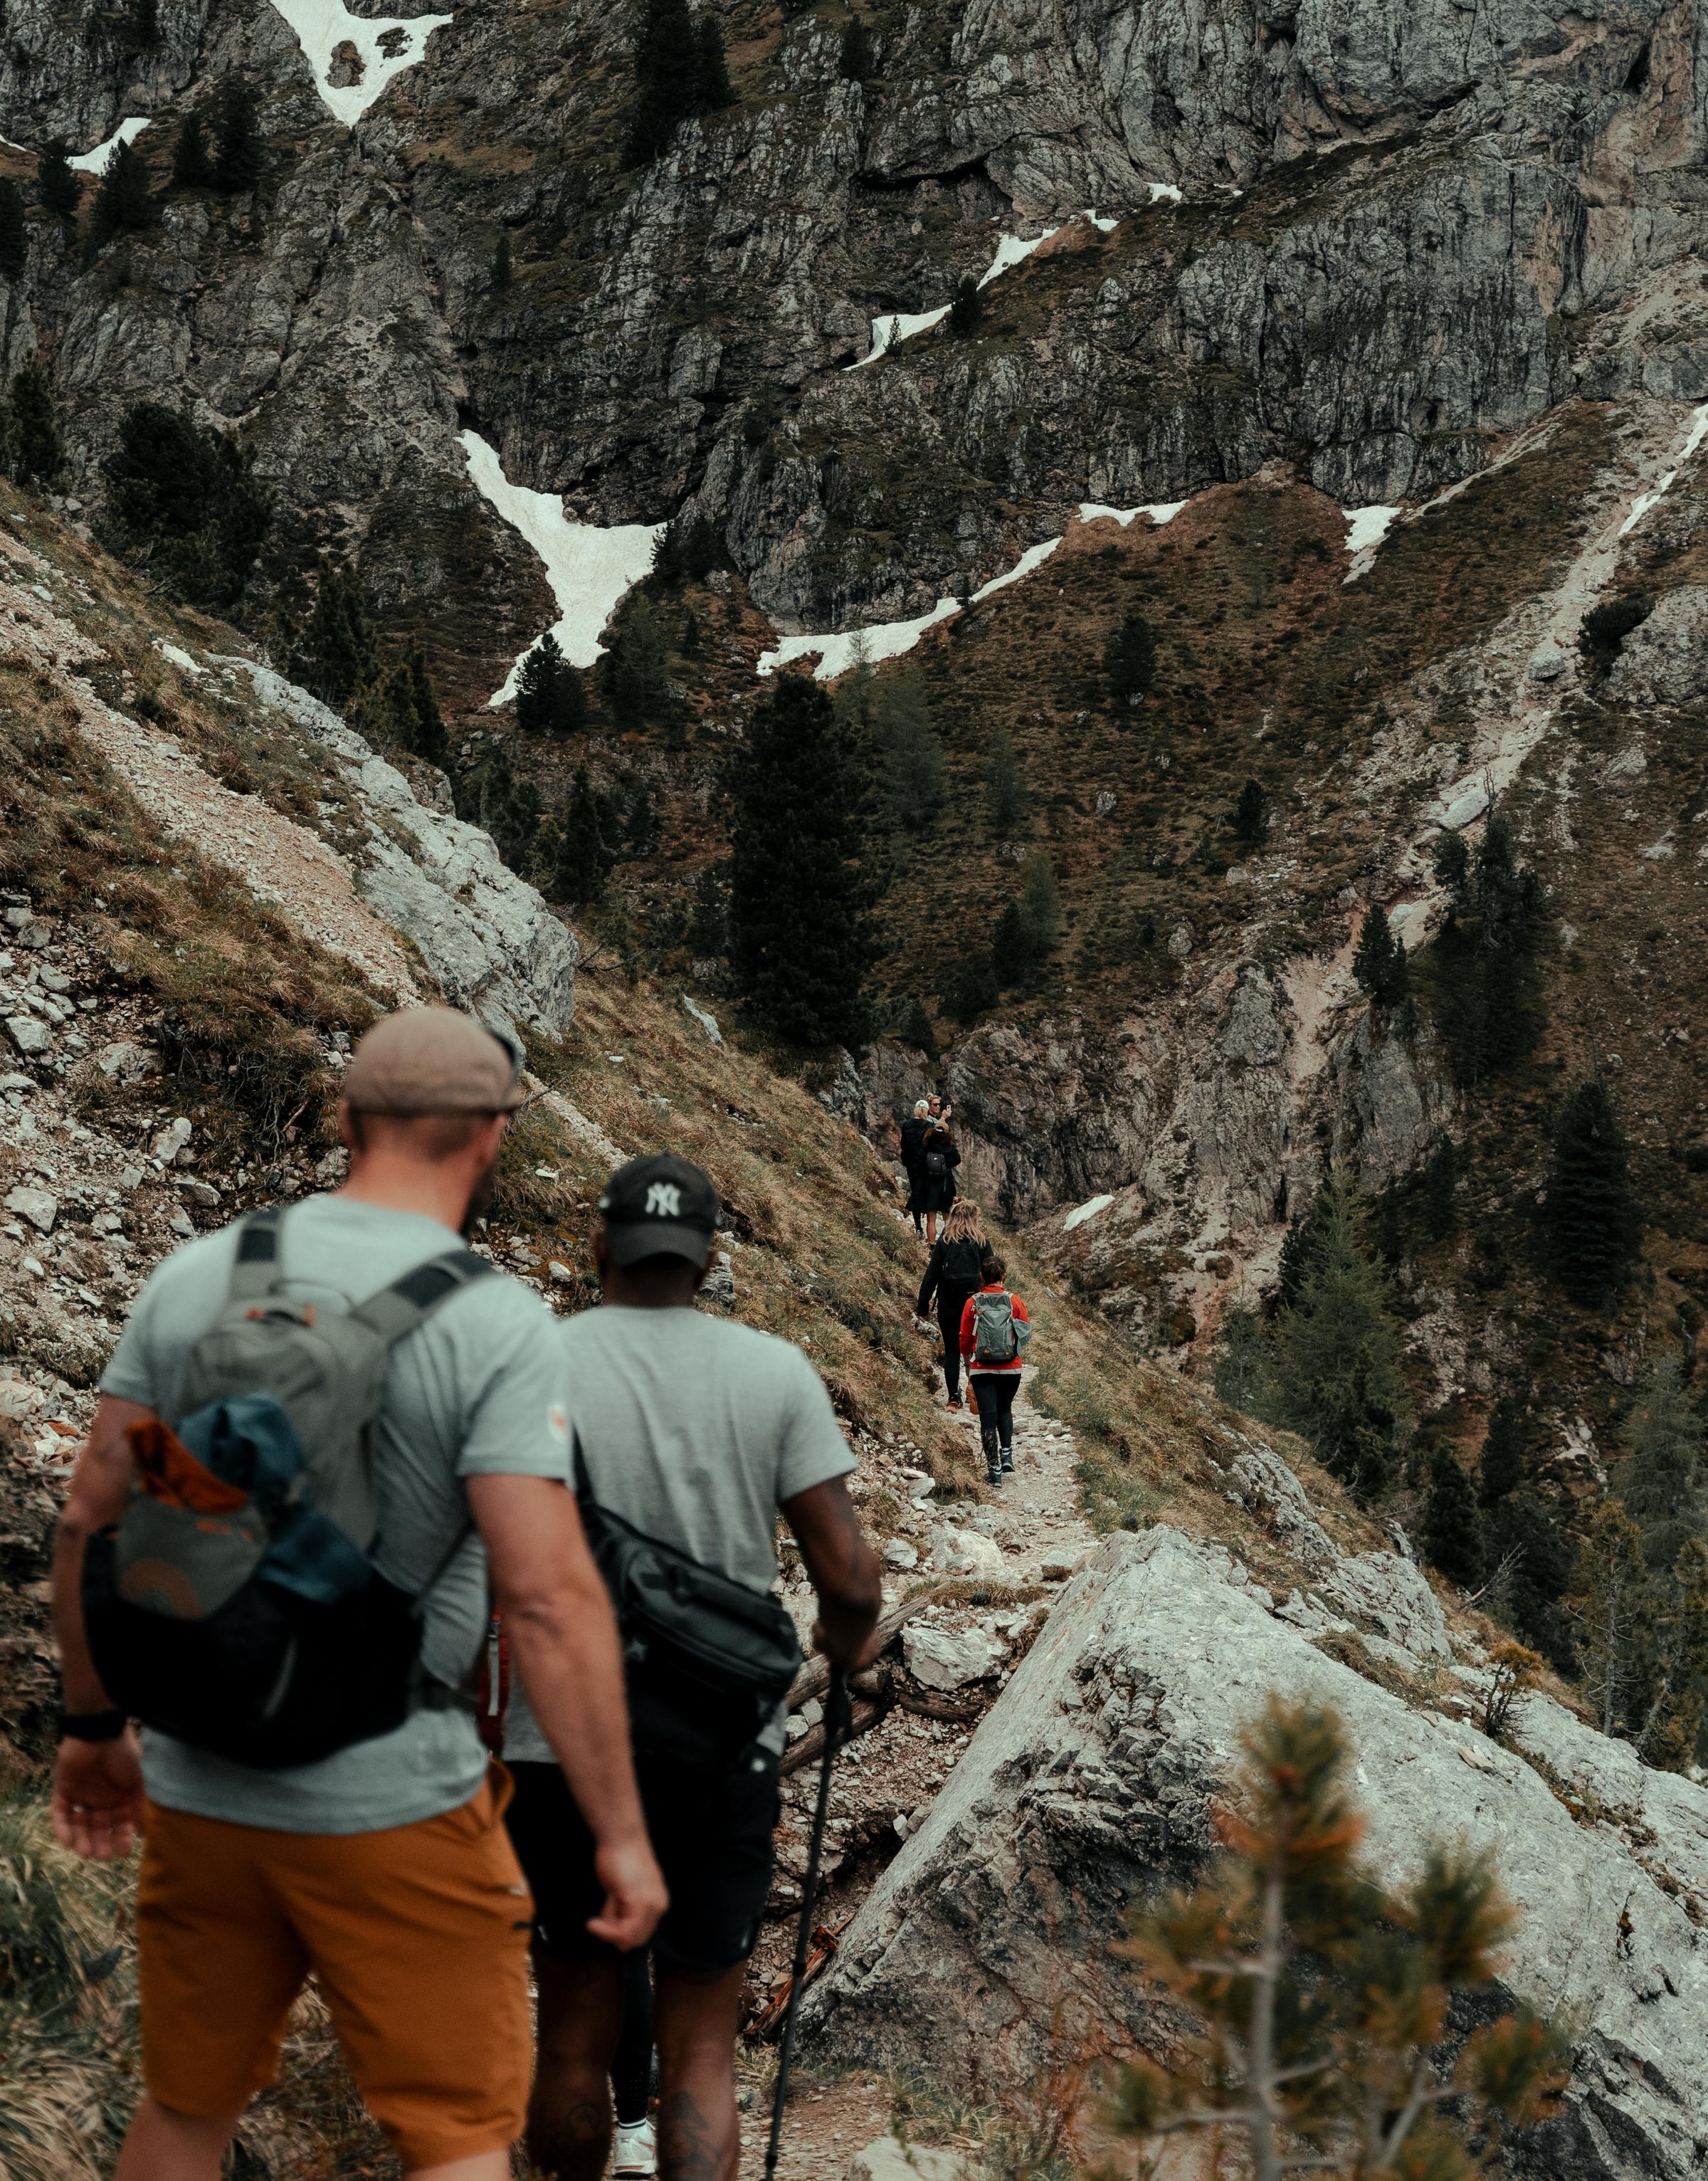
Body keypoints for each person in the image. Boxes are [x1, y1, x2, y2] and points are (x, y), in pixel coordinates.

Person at [48, 1007, 667, 2181]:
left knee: (187, 2105)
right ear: (491, 1136)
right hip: (393, 1797)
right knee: (455, 2133)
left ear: (344, 1118)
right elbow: (545, 1600)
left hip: (201, 1782)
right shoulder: (491, 1318)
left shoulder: (199, 1274)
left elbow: (89, 1513)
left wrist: (90, 1731)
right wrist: (622, 1834)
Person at [502, 1152, 884, 2181]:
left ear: (598, 1243)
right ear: (710, 1256)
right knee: (701, 2050)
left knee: (575, 2030)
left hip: (557, 1747)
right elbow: (848, 1577)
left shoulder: (530, 1364)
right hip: (724, 1744)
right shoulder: (773, 1374)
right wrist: (842, 1654)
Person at [916, 1200, 994, 1414]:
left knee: (952, 1352)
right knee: (979, 1351)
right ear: (972, 1218)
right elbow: (993, 1277)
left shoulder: (944, 1242)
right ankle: (977, 1392)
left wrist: (922, 1309)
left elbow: (930, 1277)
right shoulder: (982, 1243)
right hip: (977, 1307)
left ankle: (954, 1398)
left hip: (948, 1306)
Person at [960, 1254, 1031, 1487]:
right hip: (1011, 1368)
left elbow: (964, 1338)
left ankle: (995, 1472)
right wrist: (1013, 1351)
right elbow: (1026, 1333)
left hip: (982, 1368)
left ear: (981, 1277)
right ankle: (1007, 1455)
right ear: (1003, 1276)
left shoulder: (972, 1303)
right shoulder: (1015, 1301)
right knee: (1005, 1409)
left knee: (988, 1419)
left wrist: (969, 1363)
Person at [918, 1119, 960, 1245]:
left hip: (930, 1185)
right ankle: (948, 1243)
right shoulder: (950, 1149)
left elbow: (919, 1162)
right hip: (946, 1185)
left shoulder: (927, 1146)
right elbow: (957, 1160)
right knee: (947, 1218)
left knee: (931, 1218)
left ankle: (931, 1244)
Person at [898, 1098, 932, 1236]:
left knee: (915, 1191)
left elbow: (903, 1145)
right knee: (923, 1192)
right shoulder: (929, 1125)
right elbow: (930, 1146)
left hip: (911, 1165)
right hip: (924, 1165)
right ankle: (923, 1225)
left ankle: (918, 1226)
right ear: (926, 1110)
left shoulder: (907, 1124)